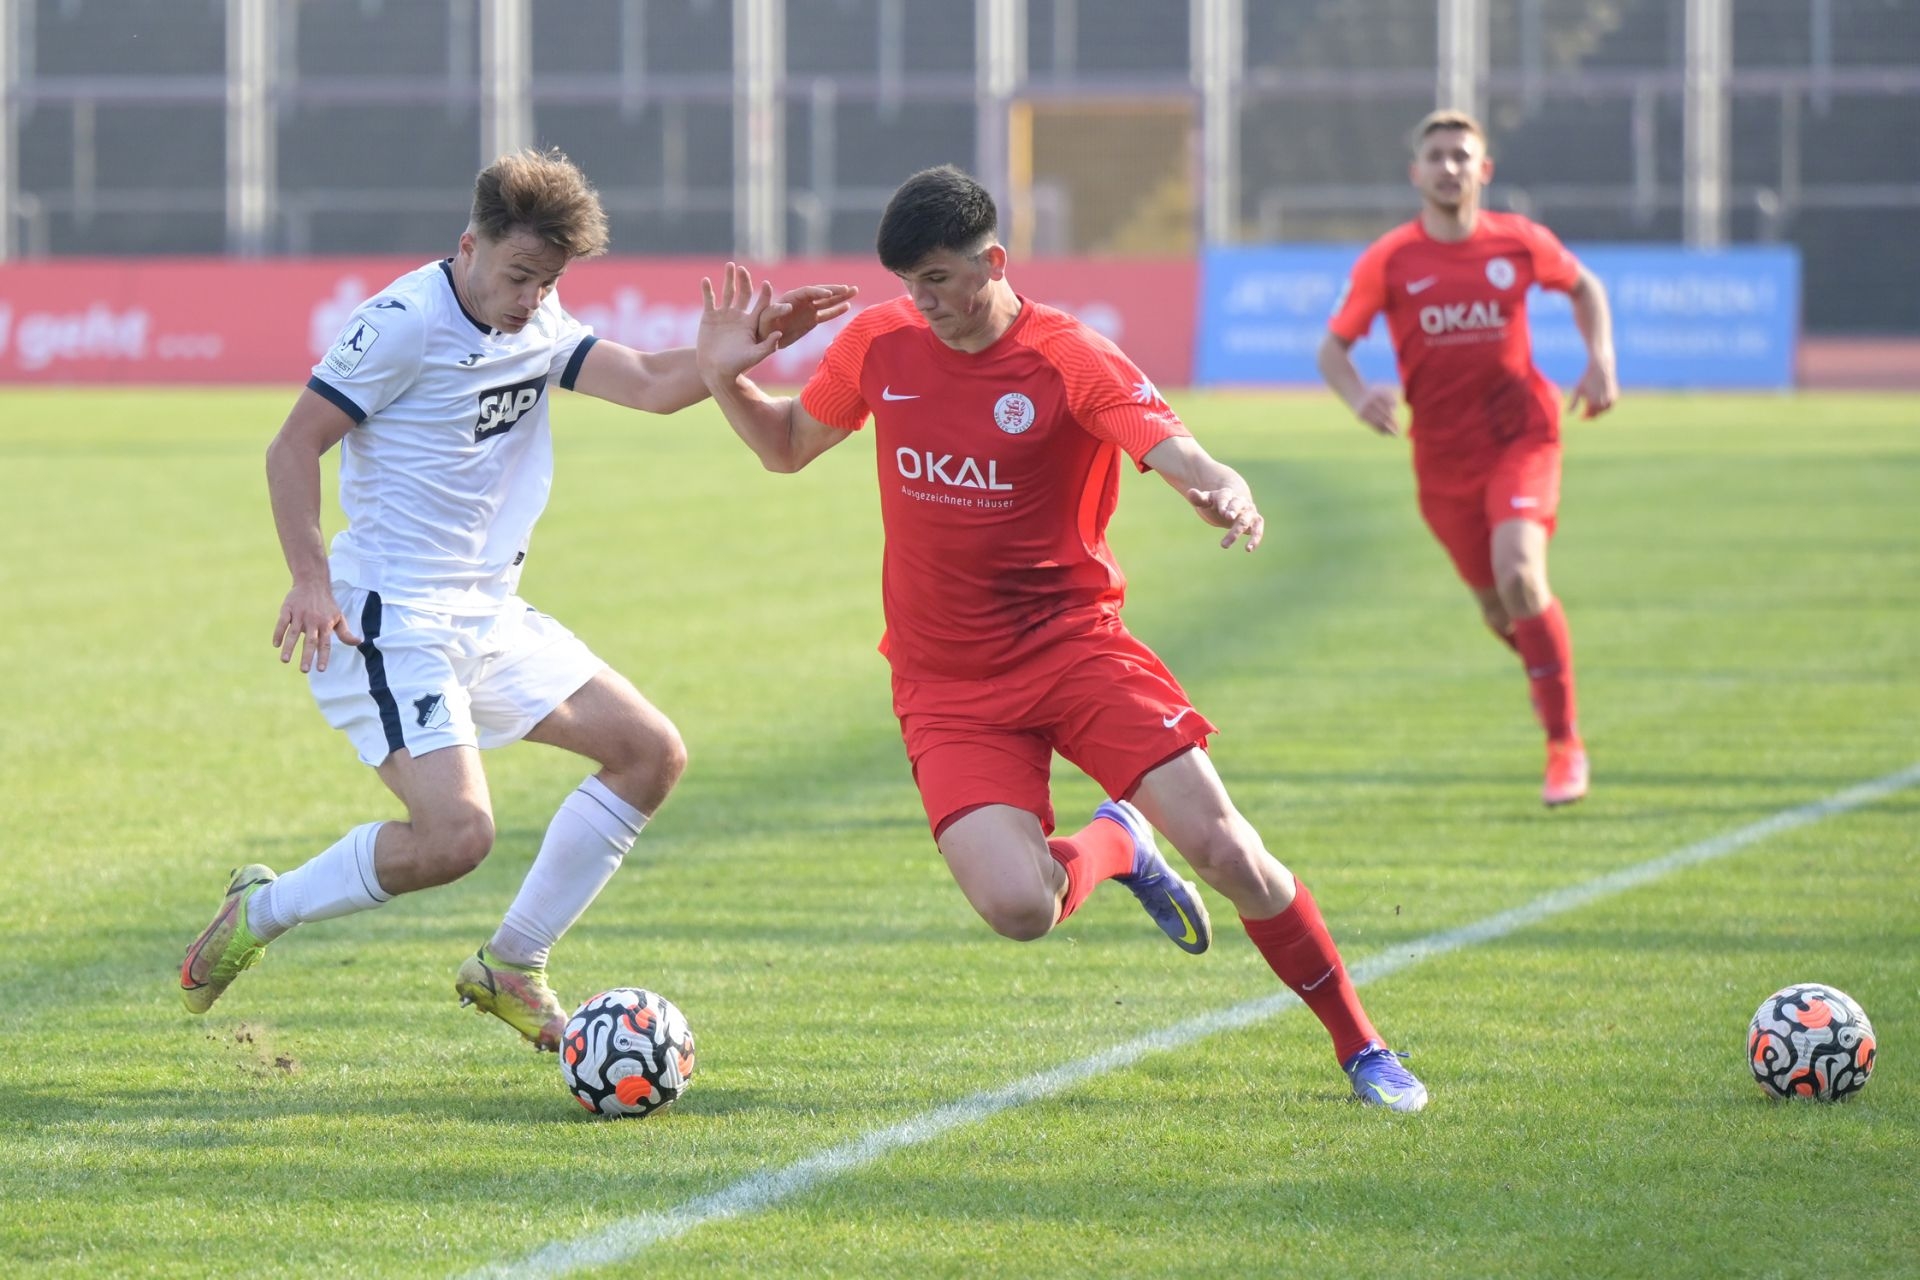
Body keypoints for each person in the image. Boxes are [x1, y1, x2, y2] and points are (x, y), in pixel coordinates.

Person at [691, 164, 1428, 1111]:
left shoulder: (1071, 357)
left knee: (1228, 852)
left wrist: (1221, 484)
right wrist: (723, 375)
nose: (925, 302)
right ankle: (1118, 844)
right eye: (911, 283)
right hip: (946, 683)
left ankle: (1362, 1048)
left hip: (1074, 650)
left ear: (994, 261)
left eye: (943, 279)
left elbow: (1170, 445)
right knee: (1019, 909)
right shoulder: (880, 341)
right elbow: (787, 446)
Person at [179, 147, 856, 1050]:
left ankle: (512, 963)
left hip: (487, 615)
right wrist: (308, 578)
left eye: (549, 281)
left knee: (650, 754)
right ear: (470, 246)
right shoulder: (400, 325)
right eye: (520, 275)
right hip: (388, 620)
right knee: (456, 836)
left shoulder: (536, 321)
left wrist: (736, 351)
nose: (533, 296)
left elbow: (653, 386)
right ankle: (261, 912)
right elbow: (291, 447)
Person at [1318, 109, 1619, 807]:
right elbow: (1332, 349)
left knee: (1520, 574)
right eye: (1437, 155)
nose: (1449, 167)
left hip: (1522, 436)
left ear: (1483, 170)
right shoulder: (1390, 260)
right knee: (1499, 611)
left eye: (1462, 155)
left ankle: (1563, 743)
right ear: (1416, 173)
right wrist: (1359, 397)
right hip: (1442, 461)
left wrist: (1600, 359)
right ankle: (1552, 673)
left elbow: (1584, 287)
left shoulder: (1518, 241)